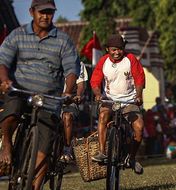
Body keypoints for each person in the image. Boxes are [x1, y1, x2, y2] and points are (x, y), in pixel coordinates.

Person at [0, 0, 80, 188]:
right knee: (11, 112)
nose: (45, 16)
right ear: (32, 12)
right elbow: (3, 61)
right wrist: (4, 80)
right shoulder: (17, 35)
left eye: (49, 12)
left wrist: (68, 91)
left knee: (45, 146)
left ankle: (33, 185)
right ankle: (6, 144)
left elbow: (71, 70)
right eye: (41, 12)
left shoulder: (63, 40)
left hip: (49, 99)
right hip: (20, 91)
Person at [90, 34, 145, 175]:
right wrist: (97, 94)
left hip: (129, 101)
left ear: (123, 48)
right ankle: (102, 152)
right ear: (107, 49)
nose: (117, 52)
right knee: (103, 117)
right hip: (109, 100)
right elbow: (95, 81)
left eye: (120, 49)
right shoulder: (103, 62)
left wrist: (138, 96)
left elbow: (139, 78)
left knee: (139, 128)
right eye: (113, 49)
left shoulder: (130, 59)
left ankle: (131, 158)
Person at [61, 61, 88, 162]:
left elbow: (80, 84)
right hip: (52, 97)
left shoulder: (78, 63)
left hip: (69, 100)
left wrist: (78, 95)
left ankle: (67, 149)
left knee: (67, 117)